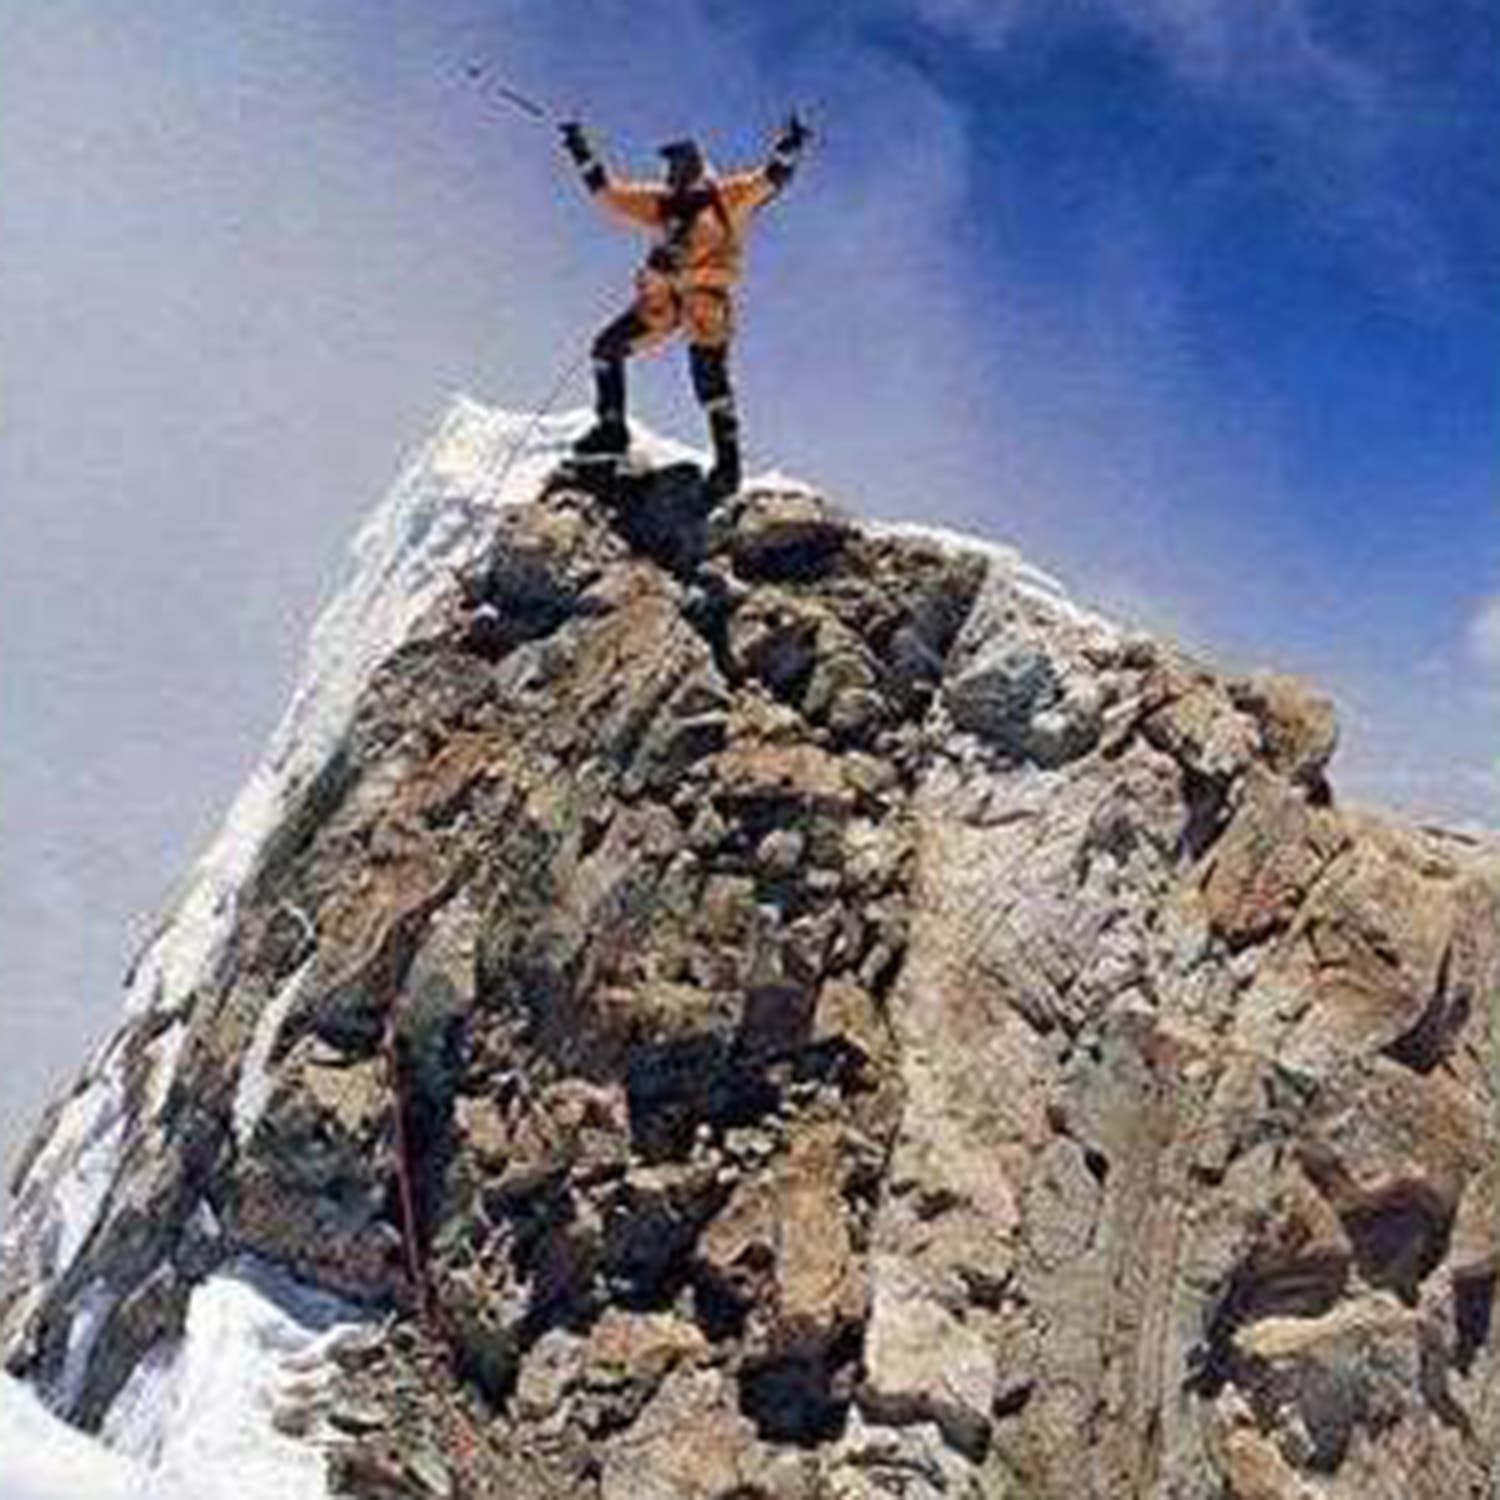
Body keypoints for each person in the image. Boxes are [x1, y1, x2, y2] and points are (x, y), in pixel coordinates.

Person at [559, 114, 811, 498]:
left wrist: (788, 148)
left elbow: (768, 181)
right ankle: (611, 431)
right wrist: (582, 152)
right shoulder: (662, 204)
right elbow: (610, 196)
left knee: (709, 379)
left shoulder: (726, 197)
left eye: (677, 165)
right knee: (606, 350)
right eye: (669, 167)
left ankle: (728, 465)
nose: (671, 173)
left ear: (695, 166)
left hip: (704, 302)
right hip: (661, 301)